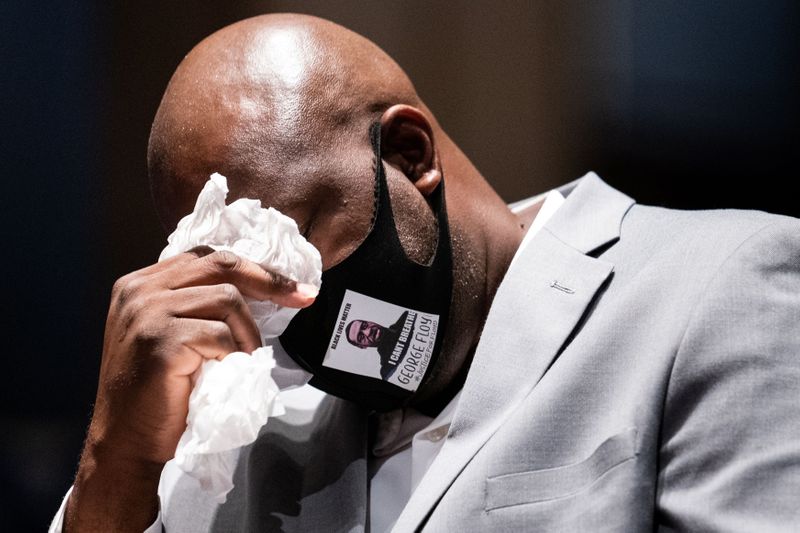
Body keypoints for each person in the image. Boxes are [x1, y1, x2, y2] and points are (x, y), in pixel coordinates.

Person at [53, 13, 800, 533]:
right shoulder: (240, 428)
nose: (289, 312)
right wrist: (112, 460)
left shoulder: (721, 285)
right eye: (245, 276)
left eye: (299, 243)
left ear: (410, 155)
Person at [346, 313, 412, 380]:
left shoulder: (408, 316)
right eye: (361, 337)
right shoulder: (387, 370)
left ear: (370, 321)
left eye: (364, 325)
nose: (368, 332)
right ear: (362, 346)